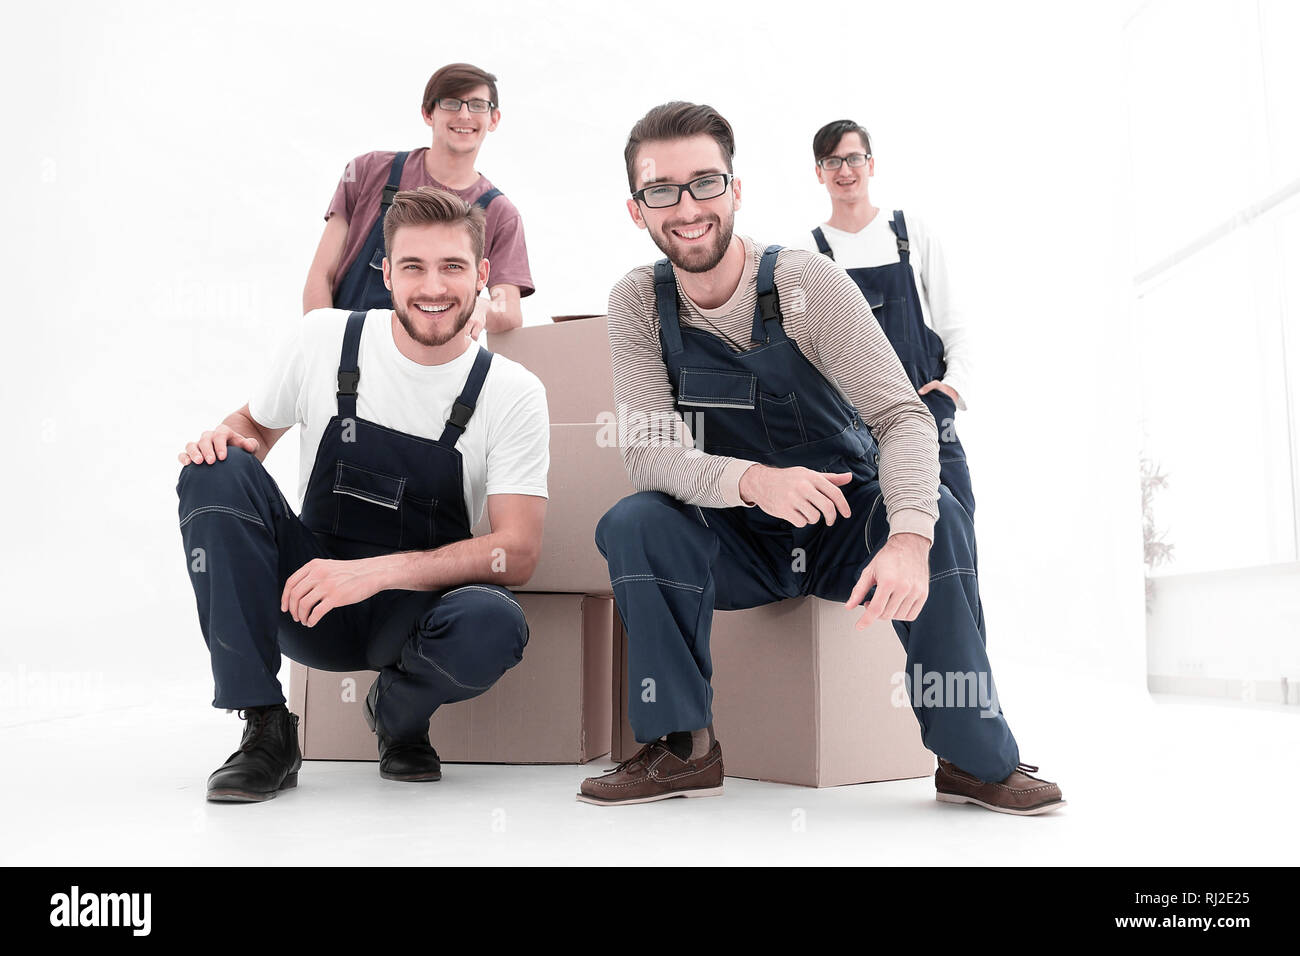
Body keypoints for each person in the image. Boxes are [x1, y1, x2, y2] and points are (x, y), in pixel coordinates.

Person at [578, 102, 1064, 815]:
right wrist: (752, 482)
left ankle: (971, 757)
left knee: (943, 521)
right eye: (663, 190)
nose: (687, 207)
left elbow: (903, 418)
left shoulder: (808, 285)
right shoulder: (636, 303)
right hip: (736, 535)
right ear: (636, 210)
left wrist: (905, 538)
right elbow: (650, 451)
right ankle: (681, 747)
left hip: (844, 528)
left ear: (736, 190)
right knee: (634, 522)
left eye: (706, 183)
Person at [177, 187, 550, 802]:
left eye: (453, 267)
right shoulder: (324, 339)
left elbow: (520, 551)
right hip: (306, 601)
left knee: (495, 622)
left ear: (483, 274)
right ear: (385, 272)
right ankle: (266, 727)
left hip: (412, 618)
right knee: (213, 474)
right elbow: (252, 430)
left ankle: (399, 719)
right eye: (413, 266)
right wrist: (219, 443)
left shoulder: (511, 391)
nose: (434, 287)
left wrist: (373, 574)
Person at [797, 120, 976, 517]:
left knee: (953, 520)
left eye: (854, 158)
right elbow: (804, 354)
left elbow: (954, 325)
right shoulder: (808, 254)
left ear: (871, 164)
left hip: (926, 414)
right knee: (872, 534)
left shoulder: (909, 232)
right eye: (832, 160)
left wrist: (951, 390)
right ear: (818, 172)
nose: (845, 170)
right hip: (852, 425)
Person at [303, 62, 533, 337]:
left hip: (434, 370)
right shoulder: (368, 171)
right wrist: (325, 347)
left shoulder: (500, 213)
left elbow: (509, 309)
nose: (464, 114)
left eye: (477, 105)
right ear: (427, 113)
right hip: (348, 355)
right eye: (451, 103)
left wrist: (483, 306)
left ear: (493, 119)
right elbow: (321, 276)